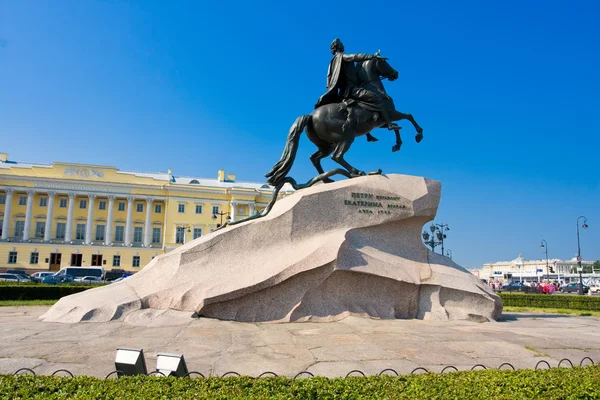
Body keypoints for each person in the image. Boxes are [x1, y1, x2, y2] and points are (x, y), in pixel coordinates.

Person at [315, 38, 400, 136]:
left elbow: (329, 78)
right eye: (342, 44)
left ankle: (368, 132)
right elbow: (355, 56)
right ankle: (389, 124)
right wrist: (372, 56)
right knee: (376, 98)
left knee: (363, 103)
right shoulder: (341, 56)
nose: (344, 46)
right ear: (338, 46)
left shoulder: (332, 62)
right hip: (351, 90)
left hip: (342, 92)